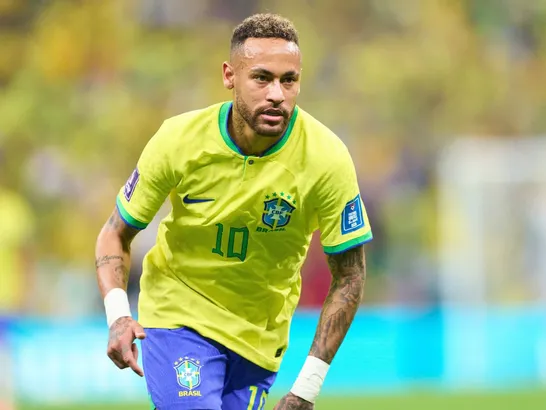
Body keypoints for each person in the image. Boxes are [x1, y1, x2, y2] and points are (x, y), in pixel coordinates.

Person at [94, 13, 372, 410]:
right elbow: (115, 233)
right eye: (262, 78)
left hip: (258, 341)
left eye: (288, 80)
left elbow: (350, 277)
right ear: (230, 76)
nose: (276, 94)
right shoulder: (178, 140)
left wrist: (306, 388)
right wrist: (119, 315)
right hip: (178, 316)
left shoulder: (327, 160)